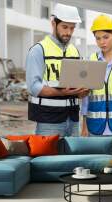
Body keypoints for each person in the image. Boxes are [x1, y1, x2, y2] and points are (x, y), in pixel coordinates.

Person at [26, 3, 89, 137]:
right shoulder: (38, 50)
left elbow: (76, 86)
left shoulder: (75, 52)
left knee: (73, 158)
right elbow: (33, 87)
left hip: (72, 119)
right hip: (48, 121)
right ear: (53, 23)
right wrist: (62, 93)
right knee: (48, 158)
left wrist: (81, 92)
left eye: (72, 28)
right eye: (64, 27)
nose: (68, 32)